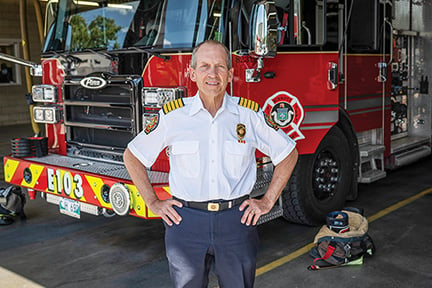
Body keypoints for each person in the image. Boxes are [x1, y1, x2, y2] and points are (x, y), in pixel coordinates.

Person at [123, 40, 298, 287]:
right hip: (184, 223)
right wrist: (152, 201)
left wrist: (268, 200)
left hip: (237, 221)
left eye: (219, 66)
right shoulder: (174, 116)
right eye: (204, 66)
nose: (212, 74)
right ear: (192, 73)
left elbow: (288, 152)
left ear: (230, 74)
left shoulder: (248, 114)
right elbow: (132, 156)